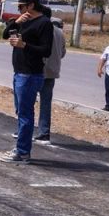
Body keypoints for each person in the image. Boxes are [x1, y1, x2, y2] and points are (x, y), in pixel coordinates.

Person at [0, 0, 52, 164]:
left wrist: (25, 45)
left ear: (30, 5)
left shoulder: (44, 23)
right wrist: (15, 22)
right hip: (19, 72)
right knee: (21, 112)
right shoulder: (22, 21)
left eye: (21, 6)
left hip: (30, 74)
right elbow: (5, 35)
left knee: (25, 114)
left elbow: (46, 50)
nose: (20, 9)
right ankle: (21, 149)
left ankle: (22, 152)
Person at [35, 16, 66, 144]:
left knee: (28, 101)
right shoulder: (60, 33)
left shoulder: (40, 29)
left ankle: (25, 130)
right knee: (45, 103)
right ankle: (44, 133)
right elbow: (63, 53)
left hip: (37, 70)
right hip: (52, 71)